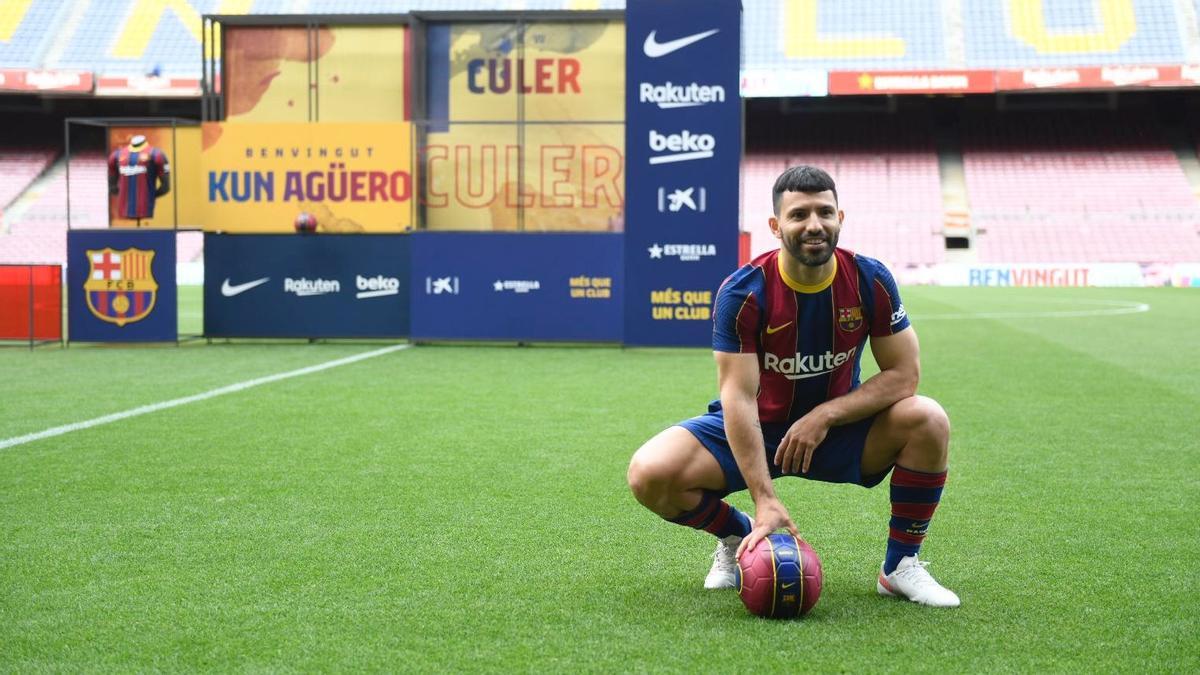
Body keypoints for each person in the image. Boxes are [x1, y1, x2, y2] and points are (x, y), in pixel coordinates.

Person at [627, 165, 959, 607]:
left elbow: (904, 375)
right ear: (775, 225)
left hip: (836, 431)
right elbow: (738, 398)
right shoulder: (744, 292)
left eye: (824, 212)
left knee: (928, 419)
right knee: (650, 473)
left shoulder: (869, 279)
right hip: (756, 429)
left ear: (841, 217)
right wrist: (764, 499)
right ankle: (738, 535)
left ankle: (899, 566)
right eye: (799, 214)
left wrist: (825, 415)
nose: (814, 225)